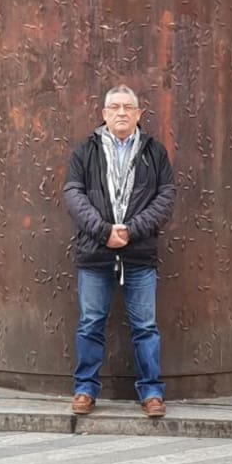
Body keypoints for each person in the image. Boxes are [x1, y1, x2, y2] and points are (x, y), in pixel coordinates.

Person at [63, 84, 176, 418]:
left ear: (139, 114)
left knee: (145, 326)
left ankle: (151, 392)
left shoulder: (155, 153)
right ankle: (85, 389)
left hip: (139, 253)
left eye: (129, 107)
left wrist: (130, 231)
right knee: (90, 323)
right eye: (115, 107)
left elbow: (166, 198)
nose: (122, 112)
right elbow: (73, 194)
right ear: (104, 114)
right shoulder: (85, 151)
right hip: (96, 253)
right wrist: (103, 231)